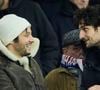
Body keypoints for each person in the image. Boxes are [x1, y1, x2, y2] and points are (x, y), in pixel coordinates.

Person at [0, 0, 60, 76]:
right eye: (26, 35)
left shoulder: (30, 8)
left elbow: (50, 45)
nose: (31, 39)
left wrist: (42, 73)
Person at [0, 14, 45, 90]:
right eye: (26, 35)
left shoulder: (33, 63)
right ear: (10, 39)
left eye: (31, 34)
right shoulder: (2, 70)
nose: (32, 40)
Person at [74, 5, 100, 90]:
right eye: (80, 30)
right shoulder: (88, 52)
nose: (81, 36)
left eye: (85, 29)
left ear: (98, 29)